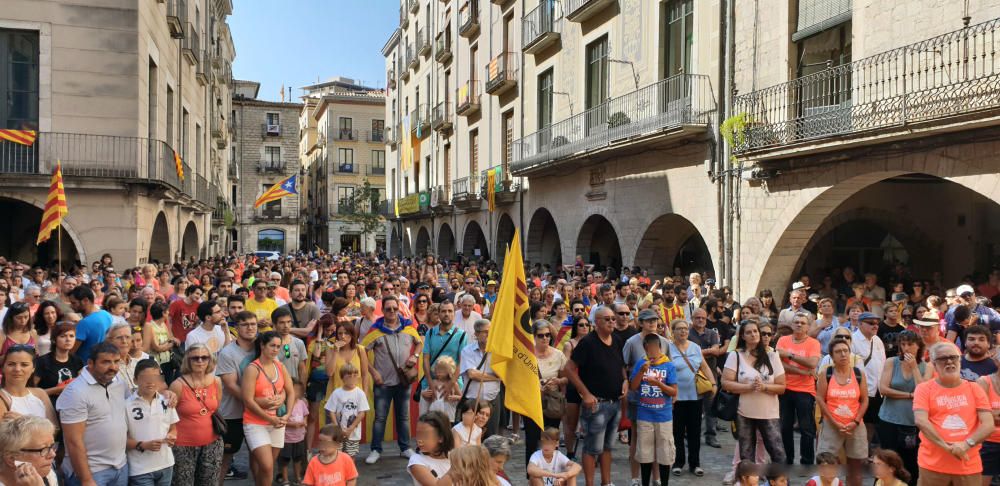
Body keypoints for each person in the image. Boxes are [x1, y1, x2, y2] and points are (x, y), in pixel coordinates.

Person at [913, 342, 995, 485]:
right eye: (943, 358)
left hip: (967, 465)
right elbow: (921, 421)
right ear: (934, 363)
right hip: (932, 465)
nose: (949, 361)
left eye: (953, 357)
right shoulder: (924, 389)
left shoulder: (974, 388)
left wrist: (965, 445)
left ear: (960, 360)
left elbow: (988, 424)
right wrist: (948, 448)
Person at [564, 306, 626, 486]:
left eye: (613, 318)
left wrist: (625, 380)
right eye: (607, 319)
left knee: (608, 447)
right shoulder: (588, 343)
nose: (612, 322)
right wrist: (586, 393)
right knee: (592, 448)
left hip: (615, 402)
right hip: (596, 404)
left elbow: (621, 365)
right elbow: (568, 369)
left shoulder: (616, 339)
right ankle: (590, 483)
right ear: (596, 322)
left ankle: (606, 482)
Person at [57, 341, 129, 486]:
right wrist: (86, 479)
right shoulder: (75, 392)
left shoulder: (119, 382)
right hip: (92, 472)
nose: (113, 367)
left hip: (121, 466)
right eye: (106, 362)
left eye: (116, 361)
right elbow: (73, 441)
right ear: (90, 363)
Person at [361, 295, 420, 464]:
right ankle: (375, 449)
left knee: (403, 417)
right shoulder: (375, 330)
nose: (392, 311)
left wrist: (415, 356)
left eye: (395, 308)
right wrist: (373, 372)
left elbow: (419, 343)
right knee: (380, 418)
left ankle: (405, 448)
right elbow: (362, 350)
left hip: (403, 382)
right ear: (383, 310)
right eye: (389, 309)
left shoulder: (408, 327)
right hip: (383, 383)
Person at [721, 319, 787, 464]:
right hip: (744, 412)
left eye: (755, 331)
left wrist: (764, 387)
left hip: (769, 413)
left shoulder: (772, 356)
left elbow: (782, 387)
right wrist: (748, 387)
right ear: (742, 336)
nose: (753, 335)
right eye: (749, 332)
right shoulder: (735, 356)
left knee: (778, 454)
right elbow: (725, 383)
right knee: (746, 456)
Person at [242, 331, 295, 486]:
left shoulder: (280, 366)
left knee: (267, 468)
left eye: (278, 346)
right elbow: (248, 400)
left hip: (278, 422)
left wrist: (287, 415)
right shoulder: (252, 369)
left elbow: (291, 391)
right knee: (267, 465)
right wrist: (269, 418)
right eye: (272, 345)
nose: (275, 349)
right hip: (255, 423)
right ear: (262, 345)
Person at [878, 330, 930, 485]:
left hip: (913, 422)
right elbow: (883, 389)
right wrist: (909, 395)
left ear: (918, 346)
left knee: (911, 463)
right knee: (888, 461)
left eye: (910, 344)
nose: (906, 348)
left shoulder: (927, 366)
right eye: (903, 344)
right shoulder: (891, 362)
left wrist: (914, 367)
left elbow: (923, 391)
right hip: (889, 419)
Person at [816, 338, 868, 486]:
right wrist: (834, 422)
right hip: (831, 425)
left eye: (846, 351)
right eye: (838, 352)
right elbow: (820, 398)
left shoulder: (858, 374)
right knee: (826, 464)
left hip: (855, 426)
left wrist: (856, 421)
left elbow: (864, 400)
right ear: (831, 356)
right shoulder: (826, 373)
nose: (843, 354)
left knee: (856, 469)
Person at [169, 343, 224, 485]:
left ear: (210, 360)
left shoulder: (216, 381)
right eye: (195, 358)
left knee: (210, 483)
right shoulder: (178, 385)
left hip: (213, 444)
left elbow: (215, 408)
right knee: (183, 483)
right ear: (188, 360)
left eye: (204, 357)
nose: (200, 361)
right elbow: (169, 416)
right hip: (183, 446)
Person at [666, 317, 713, 477]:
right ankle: (678, 462)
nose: (683, 331)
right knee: (677, 432)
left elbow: (704, 366)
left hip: (695, 396)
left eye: (685, 328)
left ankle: (695, 463)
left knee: (694, 432)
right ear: (673, 332)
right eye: (679, 328)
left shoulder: (695, 347)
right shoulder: (668, 348)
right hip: (676, 398)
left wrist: (713, 384)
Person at [629, 332, 677, 486]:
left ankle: (664, 483)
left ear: (660, 347)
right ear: (645, 349)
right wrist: (642, 371)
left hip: (664, 416)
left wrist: (659, 384)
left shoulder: (668, 365)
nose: (653, 352)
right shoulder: (640, 363)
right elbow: (633, 387)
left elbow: (674, 392)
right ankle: (644, 482)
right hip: (644, 415)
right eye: (650, 349)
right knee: (645, 454)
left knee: (664, 454)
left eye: (656, 348)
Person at [217, 311, 258, 484]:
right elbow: (231, 385)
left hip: (256, 413)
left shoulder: (261, 347)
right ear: (236, 327)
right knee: (225, 458)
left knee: (258, 455)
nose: (250, 328)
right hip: (233, 413)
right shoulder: (228, 353)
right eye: (245, 324)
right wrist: (254, 402)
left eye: (253, 324)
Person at [776, 312, 821, 466]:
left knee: (806, 428)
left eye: (803, 322)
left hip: (805, 391)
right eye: (796, 322)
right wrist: (802, 371)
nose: (799, 325)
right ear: (792, 324)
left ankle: (807, 462)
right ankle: (787, 460)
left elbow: (812, 364)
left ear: (808, 327)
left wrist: (789, 355)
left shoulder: (814, 343)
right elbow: (778, 365)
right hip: (785, 388)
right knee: (784, 427)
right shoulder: (783, 340)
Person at [125, 359, 178, 486]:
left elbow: (173, 428)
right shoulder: (126, 405)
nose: (150, 381)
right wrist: (143, 445)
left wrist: (172, 436)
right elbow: (120, 440)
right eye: (145, 377)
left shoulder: (166, 401)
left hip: (166, 464)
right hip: (140, 469)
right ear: (135, 380)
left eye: (155, 377)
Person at [525, 320, 567, 465]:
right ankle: (532, 475)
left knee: (551, 439)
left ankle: (551, 471)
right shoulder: (527, 355)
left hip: (552, 404)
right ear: (534, 337)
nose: (545, 338)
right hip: (532, 403)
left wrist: (557, 381)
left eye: (548, 335)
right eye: (541, 335)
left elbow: (566, 377)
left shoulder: (558, 354)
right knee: (532, 440)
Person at [460, 319, 501, 439]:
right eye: (486, 332)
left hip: (492, 400)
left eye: (491, 332)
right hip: (472, 402)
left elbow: (503, 375)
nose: (490, 335)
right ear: (476, 334)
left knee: (491, 437)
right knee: (470, 437)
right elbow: (472, 374)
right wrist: (495, 378)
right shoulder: (467, 351)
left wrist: (495, 377)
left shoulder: (498, 351)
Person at [852, 312, 887, 449]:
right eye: (871, 323)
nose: (875, 326)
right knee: (861, 424)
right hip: (862, 390)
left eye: (877, 323)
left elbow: (882, 363)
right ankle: (858, 454)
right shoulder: (853, 340)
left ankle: (864, 452)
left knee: (872, 424)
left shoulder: (877, 340)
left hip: (878, 390)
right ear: (860, 324)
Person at [0, 344, 58, 425]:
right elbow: (5, 436)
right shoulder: (2, 398)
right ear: (3, 368)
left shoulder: (40, 393)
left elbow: (54, 428)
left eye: (24, 364)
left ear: (33, 368)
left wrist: (24, 421)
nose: (17, 369)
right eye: (11, 364)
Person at [324, 363, 369, 457]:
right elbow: (331, 411)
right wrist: (337, 428)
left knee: (351, 455)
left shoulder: (360, 394)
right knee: (337, 454)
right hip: (338, 433)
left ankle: (350, 471)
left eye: (355, 375)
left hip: (353, 433)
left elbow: (362, 413)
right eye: (349, 376)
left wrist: (351, 428)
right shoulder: (337, 393)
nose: (352, 378)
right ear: (342, 378)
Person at [0, 414, 60, 486]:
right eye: (43, 449)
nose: (53, 454)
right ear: (11, 458)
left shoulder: (47, 475)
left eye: (52, 446)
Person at [561, 315, 590, 459]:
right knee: (571, 422)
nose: (584, 327)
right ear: (575, 327)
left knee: (590, 423)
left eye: (586, 325)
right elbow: (566, 367)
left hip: (590, 385)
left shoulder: (593, 343)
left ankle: (590, 453)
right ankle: (570, 451)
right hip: (573, 387)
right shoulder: (569, 344)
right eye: (581, 325)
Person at [33, 322, 83, 407]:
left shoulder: (77, 360)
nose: (68, 339)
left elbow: (81, 387)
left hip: (72, 406)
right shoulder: (42, 362)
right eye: (63, 336)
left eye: (71, 336)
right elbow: (32, 392)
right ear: (54, 340)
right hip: (47, 406)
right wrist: (57, 389)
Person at [408, 411, 455, 486]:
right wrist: (457, 467)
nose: (419, 440)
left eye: (425, 436)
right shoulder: (416, 461)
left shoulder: (452, 457)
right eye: (418, 434)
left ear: (441, 437)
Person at [277, 380, 309, 486]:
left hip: (299, 437)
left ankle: (297, 477)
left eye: (299, 390)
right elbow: (280, 419)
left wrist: (304, 422)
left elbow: (305, 414)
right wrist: (292, 425)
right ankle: (285, 479)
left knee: (298, 458)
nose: (297, 392)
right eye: (295, 390)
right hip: (287, 438)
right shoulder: (283, 405)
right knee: (285, 459)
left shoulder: (301, 403)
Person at [974, 362, 1000, 486]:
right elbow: (980, 415)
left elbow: (990, 415)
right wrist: (990, 416)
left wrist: (992, 414)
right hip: (988, 442)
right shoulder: (984, 381)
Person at [143, 302, 178, 380]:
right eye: (167, 311)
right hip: (157, 363)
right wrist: (171, 344)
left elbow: (169, 339)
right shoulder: (150, 326)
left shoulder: (163, 325)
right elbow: (157, 348)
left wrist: (168, 343)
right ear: (163, 313)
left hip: (167, 361)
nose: (168, 313)